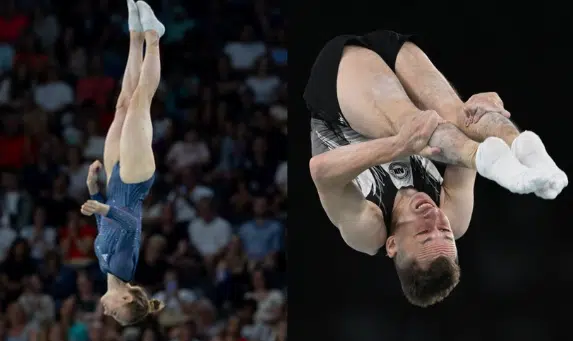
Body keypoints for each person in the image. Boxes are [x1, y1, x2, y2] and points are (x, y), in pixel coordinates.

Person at [305, 30, 568, 307]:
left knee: (409, 123)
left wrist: (399, 145)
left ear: (393, 245)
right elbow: (467, 129)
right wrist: (484, 110)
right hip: (394, 55)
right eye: (445, 234)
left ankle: (492, 160)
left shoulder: (369, 230)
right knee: (460, 116)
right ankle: (525, 146)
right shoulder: (455, 218)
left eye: (423, 234)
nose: (436, 221)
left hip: (340, 84)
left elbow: (321, 172)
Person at [79, 0, 166, 325]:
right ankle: (154, 38)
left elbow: (107, 227)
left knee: (121, 105)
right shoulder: (125, 268)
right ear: (128, 296)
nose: (107, 311)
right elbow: (131, 224)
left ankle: (134, 34)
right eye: (116, 312)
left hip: (115, 181)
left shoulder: (104, 266)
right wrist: (103, 209)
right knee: (140, 102)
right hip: (134, 181)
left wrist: (94, 190)